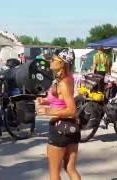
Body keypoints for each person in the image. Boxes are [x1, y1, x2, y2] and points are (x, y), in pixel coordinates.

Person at [37, 49, 81, 180]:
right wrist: (44, 100)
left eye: (54, 59)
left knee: (54, 173)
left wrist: (49, 111)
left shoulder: (63, 83)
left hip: (59, 127)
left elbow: (72, 110)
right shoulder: (65, 79)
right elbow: (60, 100)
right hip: (72, 127)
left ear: (62, 63)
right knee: (70, 168)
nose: (51, 61)